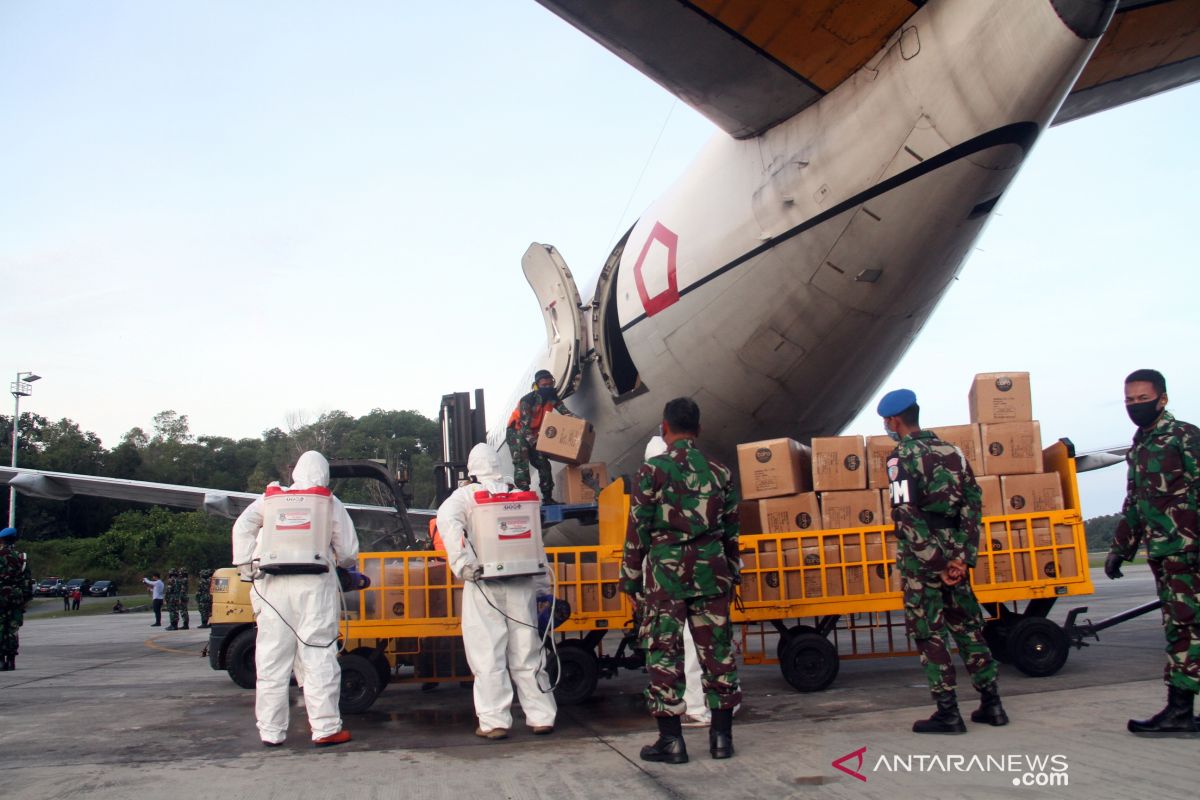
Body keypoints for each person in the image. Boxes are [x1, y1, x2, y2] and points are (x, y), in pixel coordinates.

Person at [621, 398, 742, 764]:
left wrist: (630, 580)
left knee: (664, 655)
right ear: (699, 429)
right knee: (717, 653)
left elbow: (637, 530)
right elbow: (732, 531)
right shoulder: (720, 472)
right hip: (711, 573)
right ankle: (721, 739)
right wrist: (731, 571)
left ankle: (671, 742)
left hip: (666, 579)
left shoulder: (651, 471)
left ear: (664, 427)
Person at [879, 388, 1006, 734]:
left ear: (894, 420)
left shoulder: (900, 457)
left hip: (924, 562)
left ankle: (948, 712)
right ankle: (991, 703)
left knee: (929, 633)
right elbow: (973, 505)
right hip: (955, 552)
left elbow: (905, 514)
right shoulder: (954, 453)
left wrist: (936, 564)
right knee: (967, 627)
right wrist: (961, 559)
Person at [232, 450, 360, 747]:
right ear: (325, 475)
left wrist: (245, 563)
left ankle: (271, 731)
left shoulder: (271, 499)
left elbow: (242, 526)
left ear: (295, 474)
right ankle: (326, 728)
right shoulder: (328, 501)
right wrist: (340, 562)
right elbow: (350, 550)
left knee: (272, 661)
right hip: (314, 588)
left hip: (273, 589)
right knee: (318, 656)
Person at [435, 442, 557, 740]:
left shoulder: (464, 496)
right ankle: (541, 717)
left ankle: (494, 722)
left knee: (487, 654)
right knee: (528, 652)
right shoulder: (520, 496)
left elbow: (446, 524)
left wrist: (465, 565)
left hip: (484, 585)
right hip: (522, 584)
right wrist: (543, 589)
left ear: (473, 469)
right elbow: (536, 545)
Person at [1104, 369, 1200, 735]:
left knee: (1183, 629)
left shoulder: (1184, 437)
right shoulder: (1141, 444)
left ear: (1162, 399)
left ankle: (1179, 711)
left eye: (1142, 399)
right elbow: (1136, 503)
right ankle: (1182, 708)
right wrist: (1119, 549)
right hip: (1163, 551)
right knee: (1184, 628)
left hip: (1187, 550)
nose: (1135, 406)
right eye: (1129, 400)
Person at [505, 368, 571, 503]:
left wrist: (583, 424)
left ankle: (547, 498)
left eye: (549, 384)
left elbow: (567, 413)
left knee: (544, 464)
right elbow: (523, 427)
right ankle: (523, 497)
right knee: (522, 462)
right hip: (517, 432)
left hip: (533, 434)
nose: (547, 387)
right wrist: (535, 443)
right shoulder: (527, 401)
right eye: (544, 385)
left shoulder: (552, 399)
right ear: (536, 386)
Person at [0, 527, 34, 671]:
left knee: (1, 627)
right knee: (13, 628)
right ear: (15, 539)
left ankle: (1, 660)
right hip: (16, 596)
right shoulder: (21, 557)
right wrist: (25, 599)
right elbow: (27, 581)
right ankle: (11, 659)